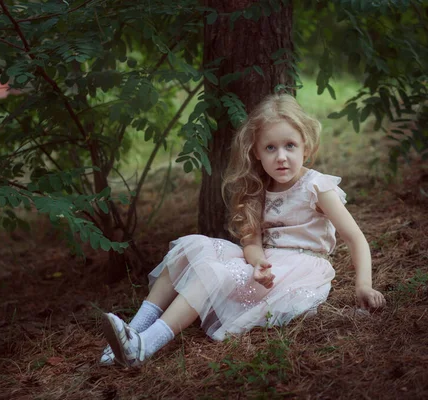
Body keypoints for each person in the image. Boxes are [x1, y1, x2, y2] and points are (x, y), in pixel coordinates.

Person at [99, 93, 386, 368]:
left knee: (213, 273)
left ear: (306, 147)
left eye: (290, 146)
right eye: (270, 148)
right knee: (192, 246)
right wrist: (258, 262)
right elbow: (251, 243)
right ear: (257, 153)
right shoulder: (257, 189)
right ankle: (130, 334)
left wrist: (363, 285)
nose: (281, 157)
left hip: (299, 269)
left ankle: (144, 346)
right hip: (266, 263)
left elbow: (355, 238)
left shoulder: (317, 187)